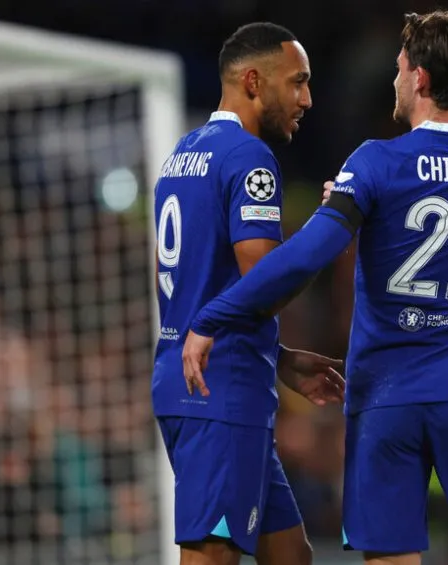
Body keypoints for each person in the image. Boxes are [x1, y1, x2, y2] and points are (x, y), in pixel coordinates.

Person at [183, 10, 448, 565]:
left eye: (400, 69)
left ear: (420, 78)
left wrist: (215, 316)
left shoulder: (375, 162)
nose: (395, 80)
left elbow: (304, 257)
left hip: (383, 399)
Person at [152, 22, 345, 565]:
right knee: (212, 556)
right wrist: (333, 224)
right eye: (298, 82)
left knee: (291, 555)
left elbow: (201, 283)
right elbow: (265, 279)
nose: (307, 98)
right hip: (222, 392)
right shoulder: (249, 157)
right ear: (255, 82)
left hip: (193, 376)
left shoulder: (183, 154)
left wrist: (277, 356)